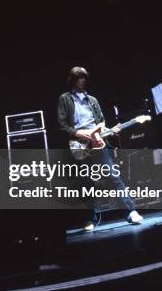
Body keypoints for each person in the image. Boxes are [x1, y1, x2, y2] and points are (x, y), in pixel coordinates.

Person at [57, 66, 143, 231]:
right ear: (73, 80)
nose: (83, 80)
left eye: (84, 77)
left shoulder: (93, 101)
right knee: (86, 182)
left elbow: (101, 123)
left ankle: (131, 212)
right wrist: (79, 133)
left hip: (97, 141)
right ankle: (90, 219)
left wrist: (110, 131)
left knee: (112, 175)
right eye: (79, 77)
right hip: (79, 143)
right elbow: (62, 125)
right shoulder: (65, 99)